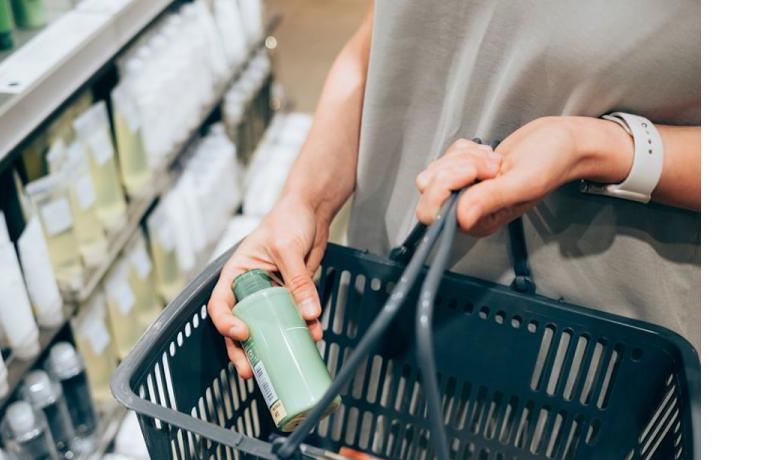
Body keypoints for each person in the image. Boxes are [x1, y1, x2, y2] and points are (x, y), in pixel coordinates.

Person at [210, 1, 700, 379]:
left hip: (597, 351)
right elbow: (383, 40)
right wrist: (305, 203)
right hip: (394, 294)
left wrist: (596, 146)